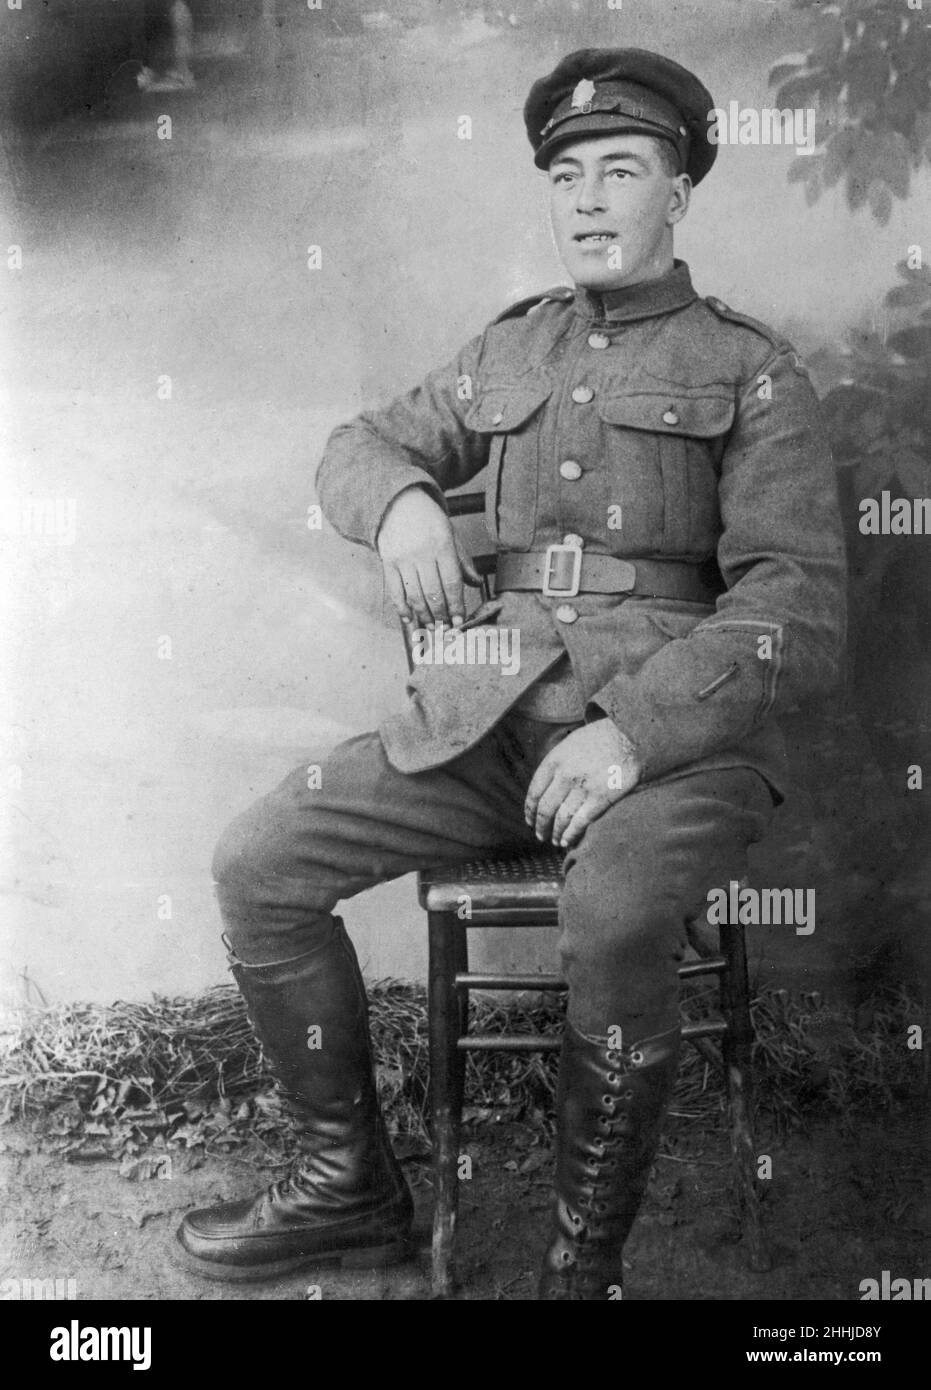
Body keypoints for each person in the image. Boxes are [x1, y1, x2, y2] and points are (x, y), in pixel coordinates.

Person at [176, 47, 846, 1299]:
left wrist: (632, 734)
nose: (588, 199)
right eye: (567, 175)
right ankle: (348, 1191)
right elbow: (357, 444)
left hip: (681, 750)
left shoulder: (752, 370)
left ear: (679, 195)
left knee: (611, 908)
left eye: (621, 170)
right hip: (495, 719)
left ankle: (575, 1272)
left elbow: (795, 612)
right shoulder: (511, 348)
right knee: (260, 859)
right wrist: (403, 507)